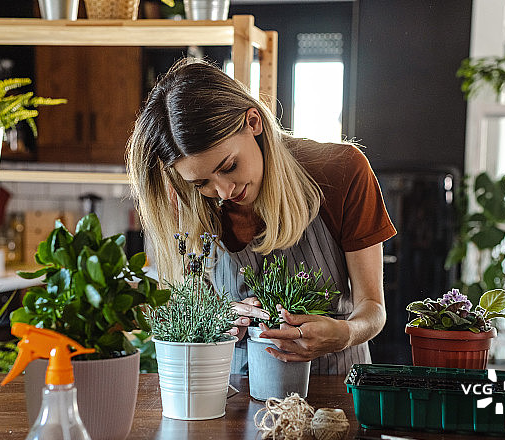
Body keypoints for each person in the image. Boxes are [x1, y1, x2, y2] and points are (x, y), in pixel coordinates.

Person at [127, 58, 396, 375]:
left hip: (336, 389)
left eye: (229, 167)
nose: (225, 191)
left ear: (253, 122)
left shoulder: (342, 170)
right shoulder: (185, 200)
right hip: (234, 399)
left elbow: (373, 309)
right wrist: (217, 318)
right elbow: (186, 309)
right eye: (202, 183)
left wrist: (345, 333)